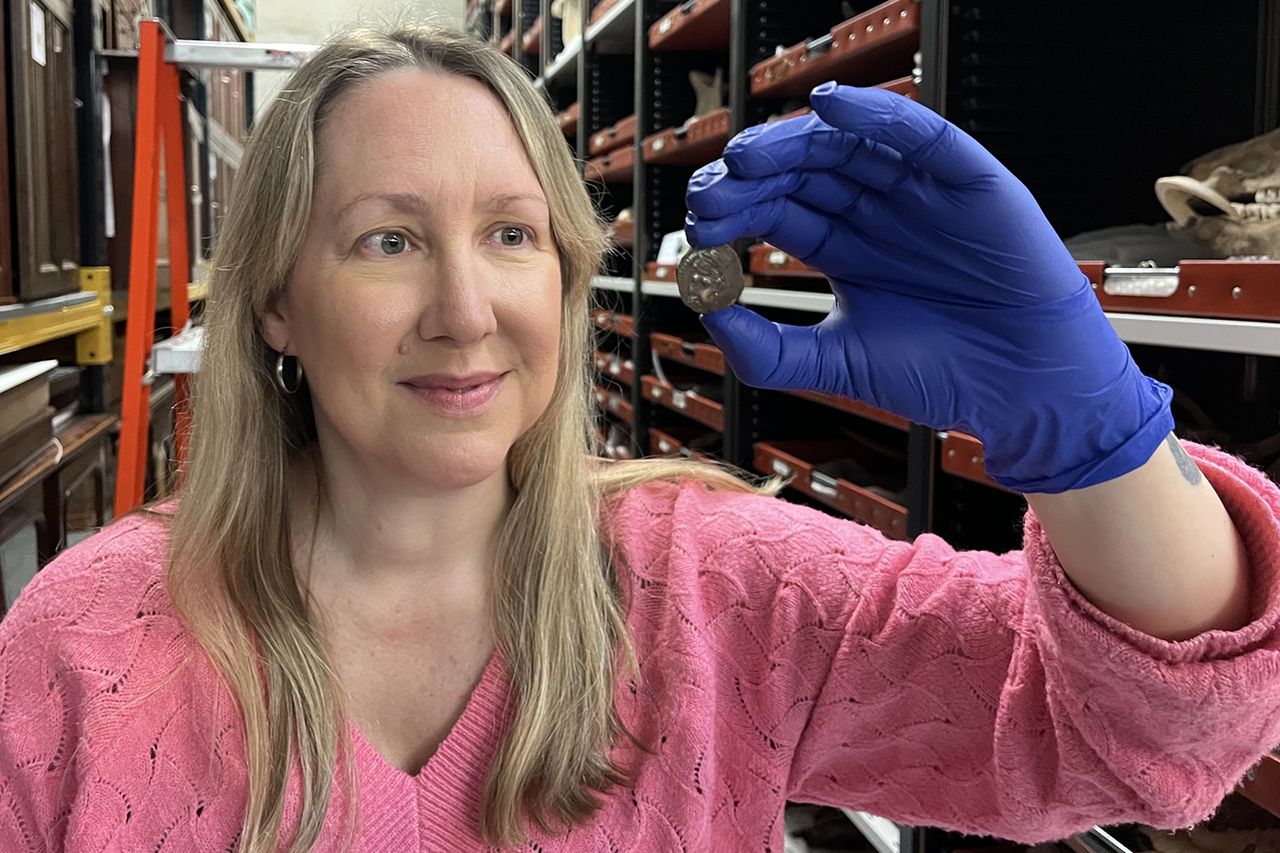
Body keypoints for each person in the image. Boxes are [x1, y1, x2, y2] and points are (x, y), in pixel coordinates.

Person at [1, 22, 1278, 853]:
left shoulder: (712, 582)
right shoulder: (85, 643)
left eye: (511, 234)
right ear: (277, 298)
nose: (465, 310)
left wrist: (1094, 435)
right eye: (387, 239)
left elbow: (1136, 741)